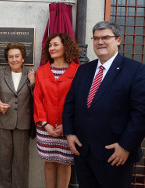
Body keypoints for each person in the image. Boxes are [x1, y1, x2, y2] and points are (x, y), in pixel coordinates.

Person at [63, 21, 145, 188]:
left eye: (106, 37)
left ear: (118, 40)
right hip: (83, 152)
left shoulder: (136, 70)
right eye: (96, 38)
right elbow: (70, 103)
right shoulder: (84, 70)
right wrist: (69, 133)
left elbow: (141, 113)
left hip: (115, 155)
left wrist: (126, 146)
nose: (100, 42)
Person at [34, 33, 80, 188]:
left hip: (67, 128)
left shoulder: (77, 71)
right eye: (50, 45)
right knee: (49, 162)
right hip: (45, 126)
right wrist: (45, 124)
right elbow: (38, 100)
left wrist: (68, 125)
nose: (51, 48)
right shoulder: (41, 71)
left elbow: (79, 102)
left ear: (65, 46)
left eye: (55, 44)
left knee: (65, 163)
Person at [0, 42, 35, 188]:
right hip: (2, 123)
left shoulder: (30, 74)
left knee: (21, 163)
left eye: (17, 56)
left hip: (23, 123)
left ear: (23, 58)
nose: (14, 59)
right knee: (2, 161)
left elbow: (38, 98)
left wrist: (33, 84)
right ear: (7, 59)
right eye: (10, 57)